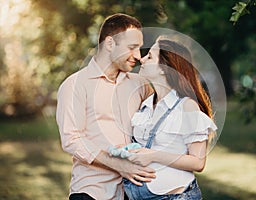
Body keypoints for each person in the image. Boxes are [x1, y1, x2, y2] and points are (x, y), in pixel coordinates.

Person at [56, 13, 155, 200]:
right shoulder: (75, 85)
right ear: (110, 44)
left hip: (133, 193)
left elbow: (167, 110)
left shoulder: (140, 85)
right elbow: (72, 140)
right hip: (91, 192)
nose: (138, 56)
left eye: (140, 49)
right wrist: (120, 166)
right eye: (132, 48)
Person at [122, 37, 217, 199]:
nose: (141, 59)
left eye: (150, 57)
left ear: (164, 68)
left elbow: (198, 162)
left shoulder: (187, 106)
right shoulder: (145, 105)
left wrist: (152, 155)